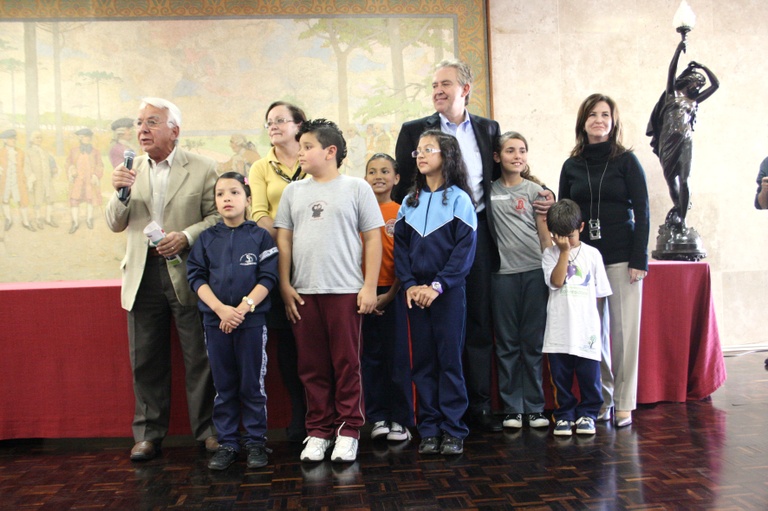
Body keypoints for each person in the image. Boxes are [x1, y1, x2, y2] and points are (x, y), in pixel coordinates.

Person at [394, 59, 553, 432]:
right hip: (429, 234)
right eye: (434, 84)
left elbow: (506, 174)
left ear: (465, 89)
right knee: (435, 323)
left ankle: (479, 404)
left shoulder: (487, 128)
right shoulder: (414, 131)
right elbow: (406, 184)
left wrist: (543, 192)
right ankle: (436, 414)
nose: (437, 90)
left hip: (476, 229)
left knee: (478, 319)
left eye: (445, 83)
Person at [105, 97, 218, 461]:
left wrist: (185, 236)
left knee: (199, 357)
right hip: (142, 276)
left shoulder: (202, 168)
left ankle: (208, 432)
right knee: (146, 359)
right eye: (139, 123)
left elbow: (217, 218)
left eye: (152, 122)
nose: (142, 129)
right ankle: (148, 435)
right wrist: (119, 192)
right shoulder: (129, 169)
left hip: (187, 272)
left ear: (175, 130)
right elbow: (114, 222)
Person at [274, 118, 382, 463]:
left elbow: (373, 238)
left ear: (330, 151)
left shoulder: (356, 188)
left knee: (347, 364)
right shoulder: (294, 192)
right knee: (311, 366)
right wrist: (285, 284)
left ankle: (348, 430)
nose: (300, 152)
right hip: (304, 293)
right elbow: (284, 240)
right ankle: (318, 431)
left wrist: (368, 286)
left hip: (345, 291)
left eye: (307, 146)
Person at [558, 93, 650, 428]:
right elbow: (565, 214)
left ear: (613, 122)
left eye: (605, 115)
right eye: (593, 114)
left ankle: (625, 402)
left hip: (623, 258)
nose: (599, 120)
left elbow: (642, 211)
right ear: (583, 121)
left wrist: (640, 257)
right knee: (590, 334)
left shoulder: (627, 161)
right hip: (584, 262)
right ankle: (603, 397)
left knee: (624, 334)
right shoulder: (571, 165)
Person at [187, 172, 278, 471]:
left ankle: (255, 441)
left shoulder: (260, 236)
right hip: (216, 324)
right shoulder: (207, 239)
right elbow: (196, 276)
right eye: (221, 194)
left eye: (235, 193)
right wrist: (220, 310)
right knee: (224, 385)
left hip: (251, 324)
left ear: (248, 200)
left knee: (252, 384)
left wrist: (242, 308)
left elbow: (268, 277)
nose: (227, 198)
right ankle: (228, 442)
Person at [394, 130, 476, 456]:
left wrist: (438, 285)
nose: (422, 155)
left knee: (450, 361)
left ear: (447, 156)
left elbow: (464, 251)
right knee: (423, 364)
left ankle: (453, 430)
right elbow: (400, 248)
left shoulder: (459, 199)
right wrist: (411, 284)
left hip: (448, 293)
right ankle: (429, 428)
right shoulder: (409, 201)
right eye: (419, 151)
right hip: (415, 294)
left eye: (430, 149)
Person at [248, 100, 308, 442]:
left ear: (299, 124)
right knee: (287, 342)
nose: (272, 126)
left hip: (319, 262)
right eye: (268, 121)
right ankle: (300, 412)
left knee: (317, 342)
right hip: (277, 261)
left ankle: (327, 417)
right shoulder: (261, 167)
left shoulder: (312, 155)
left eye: (280, 120)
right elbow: (258, 214)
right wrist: (288, 236)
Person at [489, 132, 552, 430]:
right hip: (502, 277)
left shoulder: (537, 191)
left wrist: (550, 268)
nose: (517, 155)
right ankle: (513, 408)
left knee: (532, 342)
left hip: (534, 274)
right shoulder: (487, 192)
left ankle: (536, 408)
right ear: (497, 157)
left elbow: (544, 235)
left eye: (522, 150)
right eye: (510, 150)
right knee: (507, 344)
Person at [542, 199, 612, 436]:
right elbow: (557, 281)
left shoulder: (593, 255)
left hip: (586, 331)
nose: (566, 242)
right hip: (559, 331)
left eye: (570, 237)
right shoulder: (550, 255)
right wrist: (563, 252)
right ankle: (564, 415)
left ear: (581, 228)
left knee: (589, 377)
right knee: (560, 378)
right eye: (559, 237)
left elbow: (601, 295)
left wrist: (595, 327)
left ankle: (588, 414)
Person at [361, 153, 415, 442]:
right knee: (370, 358)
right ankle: (378, 416)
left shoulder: (402, 210)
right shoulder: (358, 211)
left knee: (397, 358)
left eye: (385, 171)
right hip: (364, 294)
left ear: (396, 178)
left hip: (394, 293)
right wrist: (366, 291)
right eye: (372, 171)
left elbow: (403, 257)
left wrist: (391, 292)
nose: (378, 176)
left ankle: (401, 419)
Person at [647, 40, 719, 229]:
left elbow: (716, 85)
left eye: (700, 84)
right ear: (688, 80)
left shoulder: (693, 101)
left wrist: (703, 66)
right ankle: (679, 208)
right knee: (671, 180)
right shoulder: (673, 94)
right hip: (667, 140)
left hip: (685, 140)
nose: (698, 86)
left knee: (685, 179)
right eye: (697, 82)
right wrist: (678, 50)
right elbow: (671, 71)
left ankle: (683, 220)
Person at [67, 128, 104, 233]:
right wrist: (71, 170)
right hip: (77, 180)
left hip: (89, 179)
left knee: (90, 198)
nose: (86, 139)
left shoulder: (96, 152)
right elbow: (68, 163)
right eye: (83, 137)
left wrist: (96, 175)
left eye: (88, 137)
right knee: (74, 199)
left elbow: (100, 165)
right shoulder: (74, 151)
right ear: (80, 138)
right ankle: (75, 222)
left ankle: (89, 219)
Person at [0, 129, 35, 231]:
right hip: (4, 181)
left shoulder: (20, 152)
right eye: (11, 139)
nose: (14, 141)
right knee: (5, 200)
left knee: (22, 201)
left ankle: (26, 222)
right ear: (5, 140)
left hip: (18, 181)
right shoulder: (0, 153)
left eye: (14, 139)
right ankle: (8, 219)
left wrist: (30, 178)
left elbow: (26, 166)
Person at [25, 131, 59, 229]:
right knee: (37, 200)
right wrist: (31, 177)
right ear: (32, 140)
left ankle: (48, 218)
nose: (39, 140)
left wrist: (54, 168)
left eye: (40, 138)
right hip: (37, 179)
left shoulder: (45, 151)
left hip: (46, 179)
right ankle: (38, 218)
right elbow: (26, 166)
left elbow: (51, 161)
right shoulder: (29, 152)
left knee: (50, 199)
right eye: (37, 138)